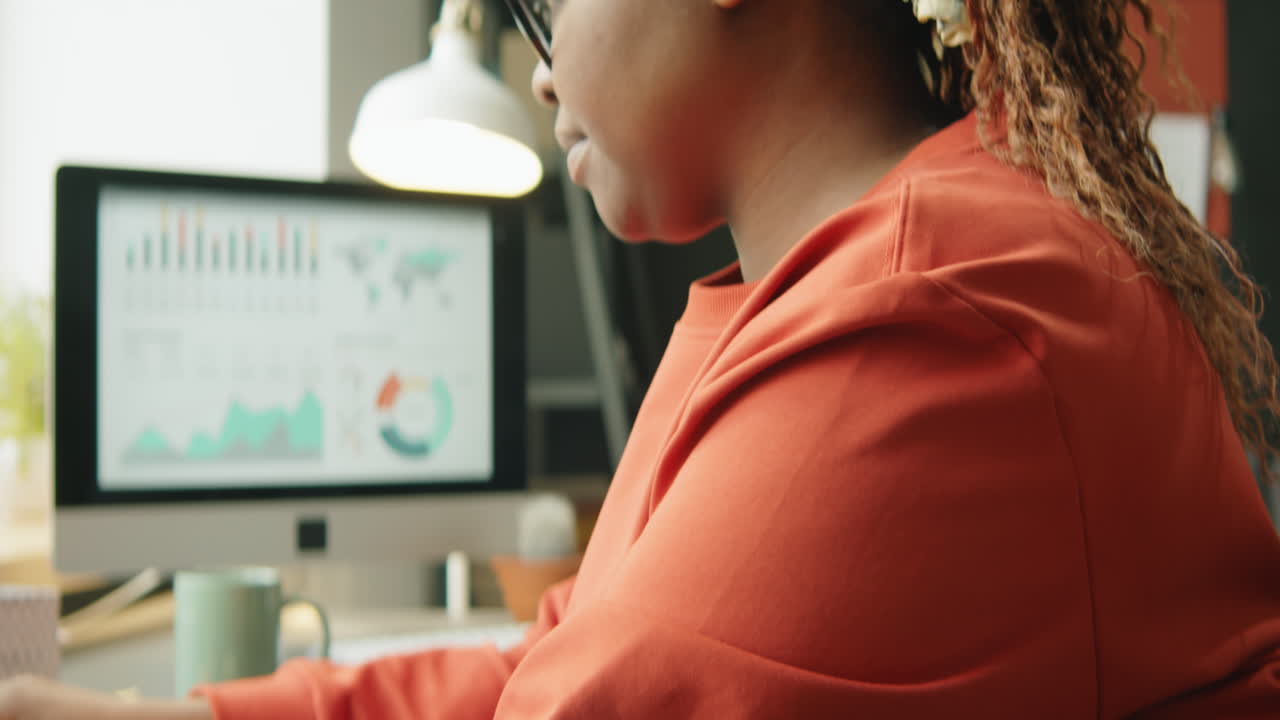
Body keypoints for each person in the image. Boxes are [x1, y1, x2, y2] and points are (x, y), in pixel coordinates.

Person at [5, 0, 1280, 716]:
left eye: (544, 8)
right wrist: (149, 719)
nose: (542, 73)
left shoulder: (929, 321)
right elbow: (566, 655)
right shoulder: (843, 283)